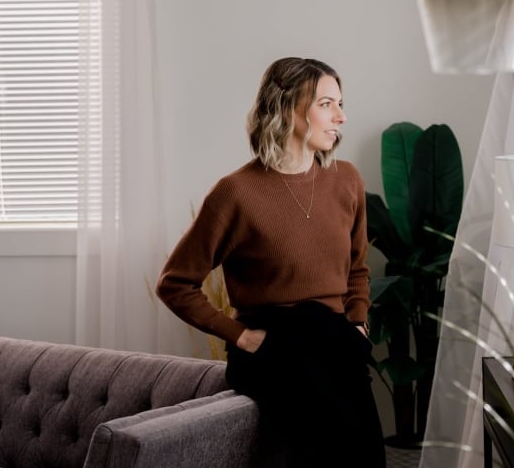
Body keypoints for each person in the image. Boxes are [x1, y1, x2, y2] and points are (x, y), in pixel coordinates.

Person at [156, 57, 386, 467]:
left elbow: (357, 267)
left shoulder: (346, 180)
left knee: (365, 451)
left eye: (340, 103)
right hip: (273, 347)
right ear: (289, 109)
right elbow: (175, 283)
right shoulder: (236, 193)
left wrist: (358, 320)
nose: (341, 117)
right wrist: (239, 335)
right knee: (320, 445)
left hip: (335, 341)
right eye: (327, 104)